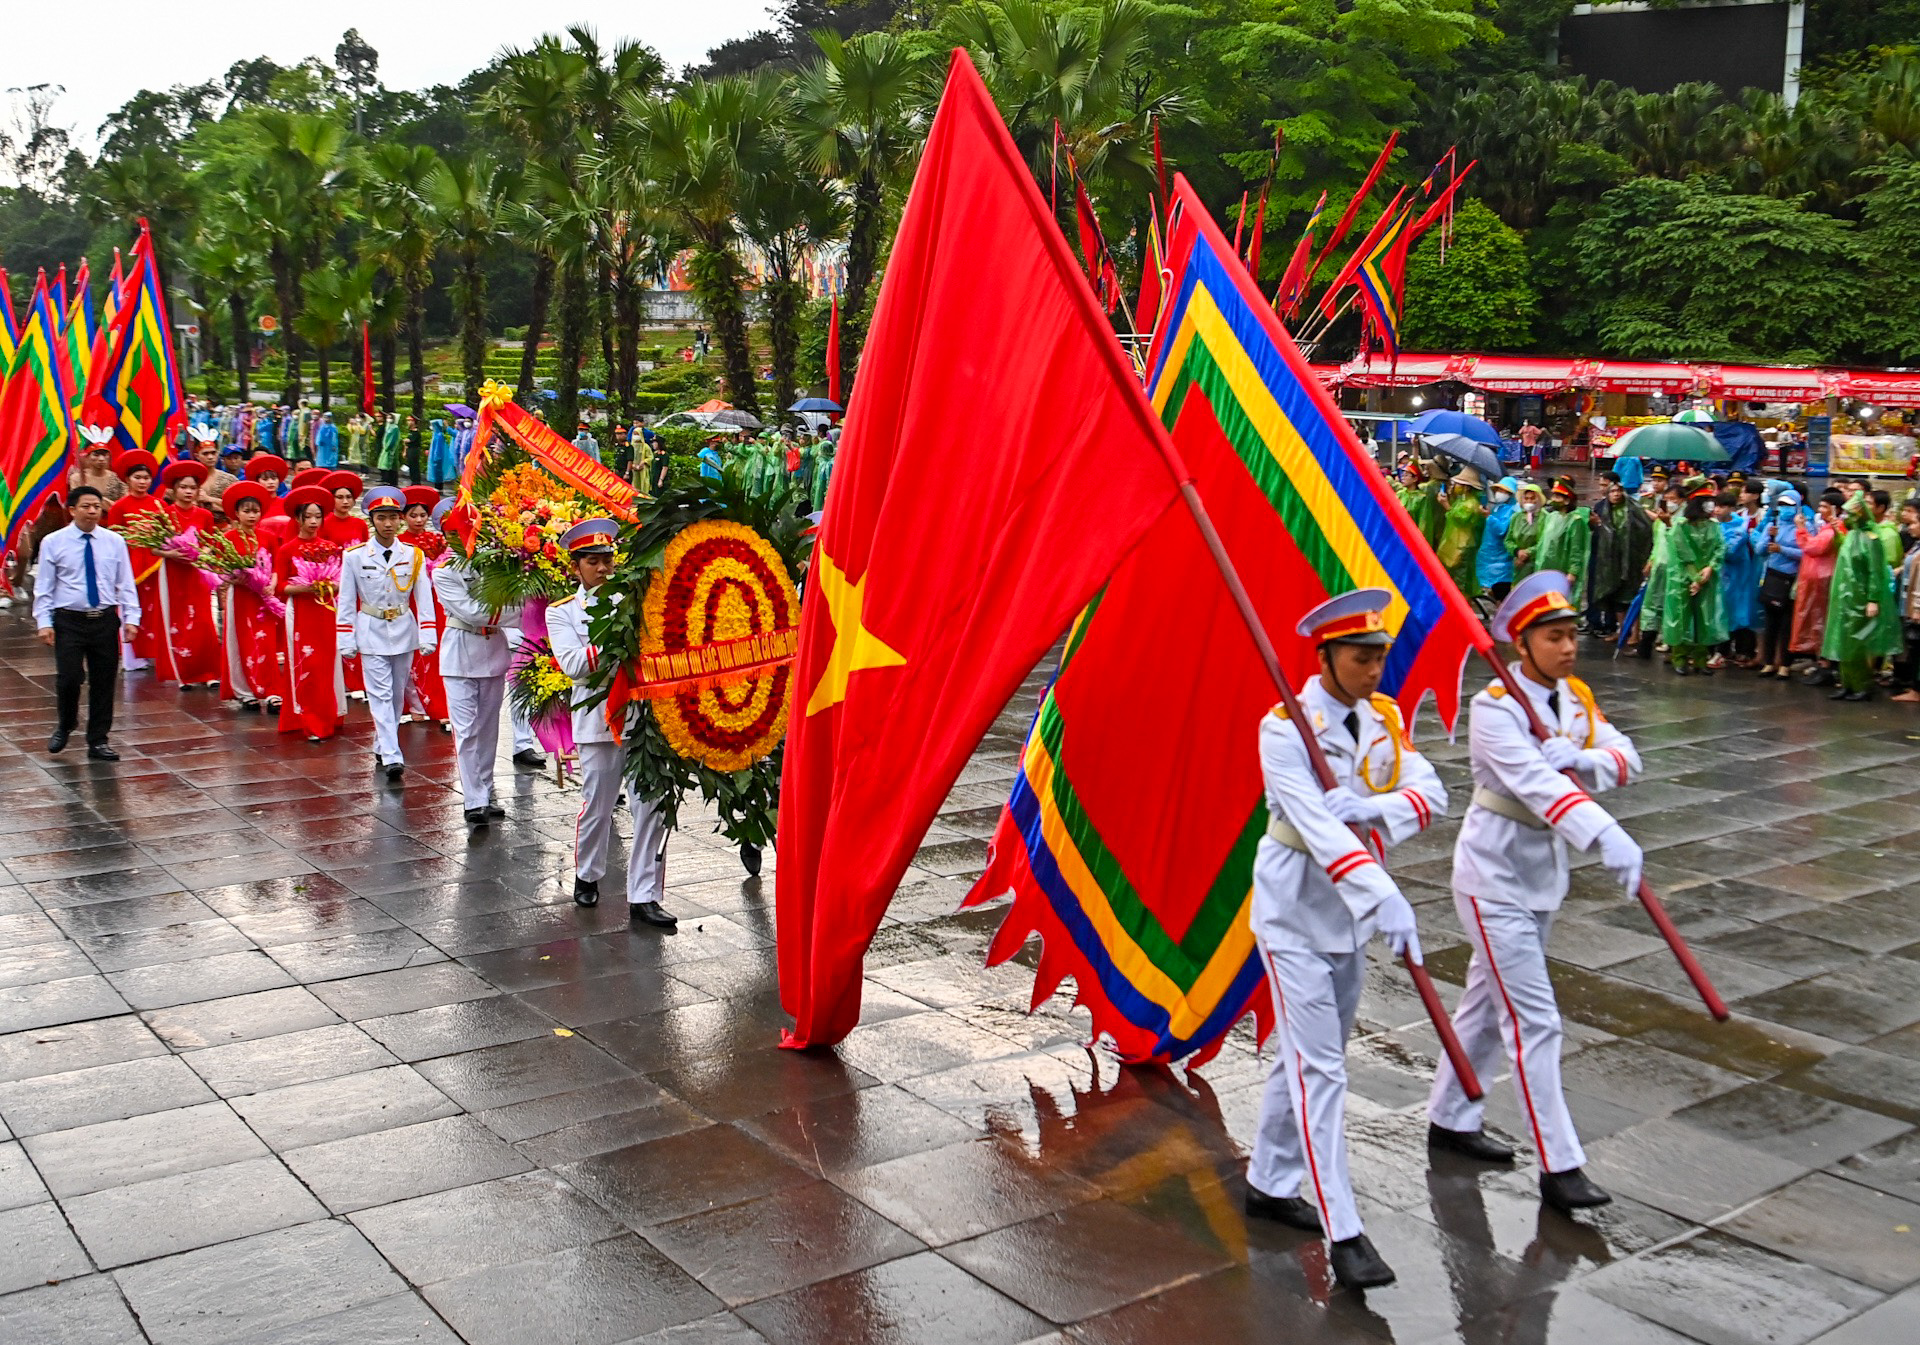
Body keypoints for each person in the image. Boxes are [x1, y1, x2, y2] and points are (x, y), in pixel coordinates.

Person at [1243, 590, 1446, 1290]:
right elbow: (1320, 830)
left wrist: (1376, 806)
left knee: (1304, 1056)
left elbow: (1432, 793)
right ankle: (1345, 1230)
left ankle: (1270, 1181)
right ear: (1325, 656)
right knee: (1322, 1069)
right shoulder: (1284, 728)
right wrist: (1382, 890)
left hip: (1348, 916)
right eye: (1362, 657)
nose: (1376, 669)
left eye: (1381, 655)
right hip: (1294, 909)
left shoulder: (1385, 718)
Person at [1428, 571, 1644, 1216]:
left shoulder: (1575, 697)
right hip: (1493, 878)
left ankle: (1449, 1117)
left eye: (1572, 634)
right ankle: (1560, 1163)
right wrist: (1603, 831)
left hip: (1542, 877)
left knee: (1482, 1004)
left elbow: (1628, 757)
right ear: (1522, 644)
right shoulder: (1495, 706)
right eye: (1554, 637)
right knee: (1533, 1019)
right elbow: (1533, 788)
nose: (1569, 647)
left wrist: (1581, 760)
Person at [548, 518, 677, 927]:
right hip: (597, 720)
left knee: (651, 805)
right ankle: (587, 874)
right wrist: (618, 638)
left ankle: (644, 895)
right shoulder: (563, 613)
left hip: (641, 717)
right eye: (593, 561)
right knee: (598, 806)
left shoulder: (636, 599)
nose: (604, 568)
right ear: (576, 567)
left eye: (608, 559)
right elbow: (573, 665)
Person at [337, 486, 438, 779]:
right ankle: (393, 754)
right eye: (382, 517)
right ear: (372, 520)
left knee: (395, 695)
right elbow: (345, 600)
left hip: (403, 630)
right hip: (371, 631)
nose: (389, 523)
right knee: (379, 694)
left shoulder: (413, 554)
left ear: (401, 520)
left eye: (394, 517)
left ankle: (384, 742)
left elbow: (424, 597)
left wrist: (427, 635)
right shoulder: (354, 557)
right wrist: (346, 638)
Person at [34, 486, 141, 760]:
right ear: (72, 509)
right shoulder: (53, 542)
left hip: (104, 619)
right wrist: (44, 622)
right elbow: (45, 586)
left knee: (104, 681)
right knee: (69, 678)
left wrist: (132, 618)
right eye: (86, 506)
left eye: (96, 506)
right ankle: (66, 722)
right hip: (68, 620)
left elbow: (125, 582)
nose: (93, 511)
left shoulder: (114, 541)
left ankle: (98, 740)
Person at [433, 510, 520, 826]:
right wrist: (519, 613)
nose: (466, 538)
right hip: (460, 655)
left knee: (488, 729)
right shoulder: (444, 572)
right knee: (466, 731)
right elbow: (473, 612)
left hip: (493, 652)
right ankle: (474, 799)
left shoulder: (496, 565)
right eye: (456, 533)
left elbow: (513, 598)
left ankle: (486, 790)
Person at [272, 486, 347, 742]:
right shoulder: (287, 550)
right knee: (306, 664)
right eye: (309, 517)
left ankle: (329, 715)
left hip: (327, 612)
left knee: (327, 663)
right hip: (301, 613)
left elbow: (342, 581)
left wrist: (330, 586)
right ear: (298, 519)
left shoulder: (330, 548)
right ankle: (306, 718)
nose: (314, 522)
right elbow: (279, 586)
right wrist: (305, 588)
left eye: (318, 516)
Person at [1823, 492, 1902, 702]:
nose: (1848, 517)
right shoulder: (1852, 536)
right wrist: (1837, 531)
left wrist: (1873, 599)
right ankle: (1847, 683)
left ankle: (1862, 685)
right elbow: (1845, 555)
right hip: (1844, 597)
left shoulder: (1871, 540)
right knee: (1843, 641)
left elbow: (1876, 572)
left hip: (1860, 598)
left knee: (1857, 644)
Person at [216, 482, 285, 712]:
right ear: (236, 513)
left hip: (263, 599)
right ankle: (245, 690)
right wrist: (236, 579)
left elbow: (276, 566)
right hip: (241, 598)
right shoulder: (228, 538)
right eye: (246, 510)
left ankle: (272, 690)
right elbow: (220, 569)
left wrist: (271, 585)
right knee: (242, 641)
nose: (251, 515)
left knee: (266, 643)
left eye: (255, 511)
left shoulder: (268, 537)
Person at [153, 460, 222, 688]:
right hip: (173, 573)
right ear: (173, 490)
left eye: (192, 487)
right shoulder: (164, 515)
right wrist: (171, 554)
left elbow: (212, 542)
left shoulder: (205, 515)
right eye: (183, 487)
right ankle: (183, 673)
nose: (188, 492)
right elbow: (152, 546)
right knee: (177, 621)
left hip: (197, 572)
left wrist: (201, 553)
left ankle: (209, 671)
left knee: (203, 620)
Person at [1662, 483, 1728, 676]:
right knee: (1681, 619)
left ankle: (1701, 659)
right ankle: (1680, 658)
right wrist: (1695, 578)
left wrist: (1710, 568)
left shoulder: (1713, 526)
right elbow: (1683, 554)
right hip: (1683, 580)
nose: (1711, 507)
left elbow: (1720, 548)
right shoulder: (1680, 526)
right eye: (1708, 502)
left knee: (1704, 620)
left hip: (1707, 579)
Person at [399, 487, 450, 729]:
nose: (419, 520)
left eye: (422, 515)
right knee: (412, 653)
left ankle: (437, 703)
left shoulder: (437, 541)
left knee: (435, 653)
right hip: (409, 602)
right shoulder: (399, 544)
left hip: (435, 603)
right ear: (403, 517)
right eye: (413, 515)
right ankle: (415, 704)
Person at [1586, 482, 1652, 639]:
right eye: (1612, 491)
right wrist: (1599, 525)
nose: (1616, 494)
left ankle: (1635, 634)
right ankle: (1622, 631)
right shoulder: (1604, 510)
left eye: (1619, 491)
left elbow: (1645, 531)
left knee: (1631, 598)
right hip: (1611, 562)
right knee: (1616, 599)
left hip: (1632, 561)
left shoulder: (1634, 509)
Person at [1791, 490, 1843, 683]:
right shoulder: (1827, 529)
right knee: (1817, 622)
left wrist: (1801, 529)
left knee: (1821, 622)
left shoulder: (1832, 531)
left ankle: (1825, 665)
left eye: (1824, 507)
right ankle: (1822, 663)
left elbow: (1813, 548)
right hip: (1817, 581)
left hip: (1823, 582)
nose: (1820, 510)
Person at [1716, 489, 1763, 668]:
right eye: (1716, 506)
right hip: (1723, 577)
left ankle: (1743, 650)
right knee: (1723, 613)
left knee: (1740, 613)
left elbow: (1729, 552)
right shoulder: (1717, 526)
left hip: (1739, 578)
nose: (1717, 510)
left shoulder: (1739, 529)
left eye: (1721, 507)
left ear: (1730, 508)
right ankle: (1723, 650)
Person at [1534, 479, 1590, 603]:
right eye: (1553, 495)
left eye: (1557, 496)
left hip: (1562, 572)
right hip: (1544, 569)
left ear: (1567, 500)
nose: (1553, 499)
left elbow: (1577, 550)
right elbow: (1543, 543)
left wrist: (1572, 573)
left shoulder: (1575, 520)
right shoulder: (1551, 517)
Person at [1437, 467, 1486, 599]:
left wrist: (1446, 505)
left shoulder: (1471, 504)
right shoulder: (1462, 501)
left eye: (1459, 484)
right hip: (1454, 543)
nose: (1456, 486)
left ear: (1467, 487)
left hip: (1462, 546)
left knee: (1460, 582)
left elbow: (1460, 519)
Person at [1478, 476, 1518, 601]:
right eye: (1498, 490)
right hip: (1490, 555)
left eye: (1503, 491)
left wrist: (1488, 517)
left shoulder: (1513, 510)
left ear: (1510, 494)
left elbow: (1501, 530)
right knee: (1493, 591)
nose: (1499, 494)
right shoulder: (1498, 507)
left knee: (1501, 591)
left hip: (1501, 558)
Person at [1505, 481, 1545, 582]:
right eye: (1526, 498)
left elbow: (1544, 542)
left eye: (1532, 498)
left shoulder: (1545, 519)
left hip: (1536, 565)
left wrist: (1528, 553)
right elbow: (1508, 540)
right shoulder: (1516, 517)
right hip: (1518, 565)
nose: (1529, 501)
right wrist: (1517, 552)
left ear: (1539, 500)